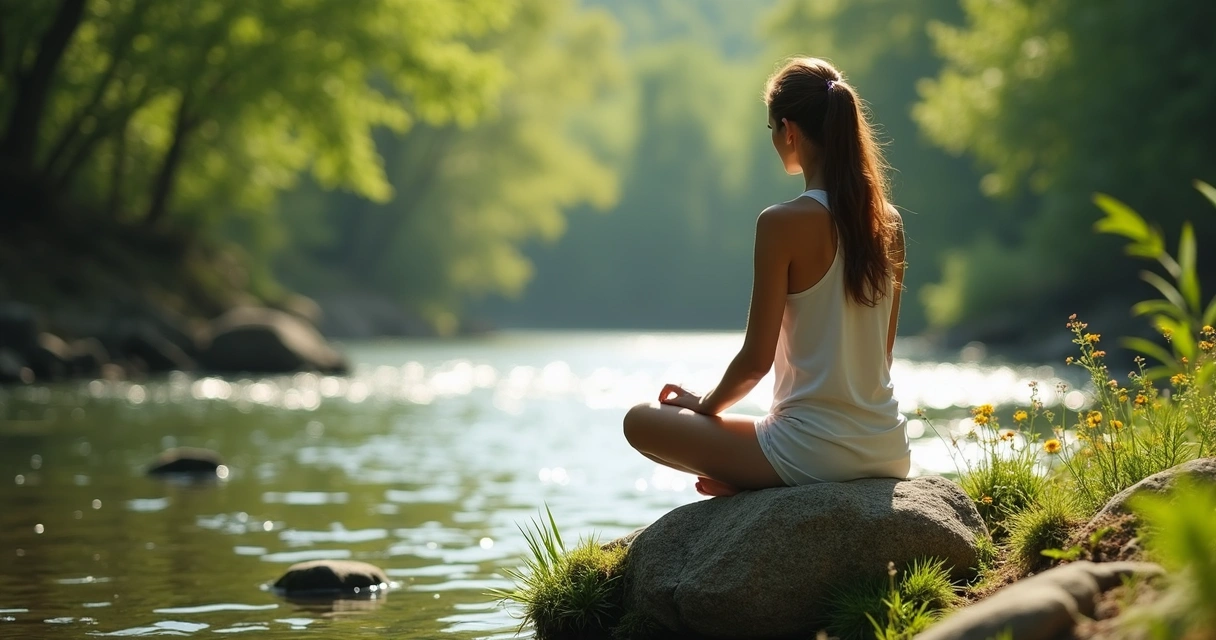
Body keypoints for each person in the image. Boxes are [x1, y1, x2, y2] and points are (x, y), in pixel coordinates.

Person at [622, 57, 909, 497]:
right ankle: (750, 475)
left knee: (640, 420)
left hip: (811, 453)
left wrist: (704, 404)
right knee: (768, 429)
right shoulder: (888, 222)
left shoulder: (781, 222)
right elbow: (882, 358)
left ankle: (753, 478)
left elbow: (756, 362)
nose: (774, 139)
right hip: (888, 448)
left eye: (771, 128)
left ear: (788, 130)